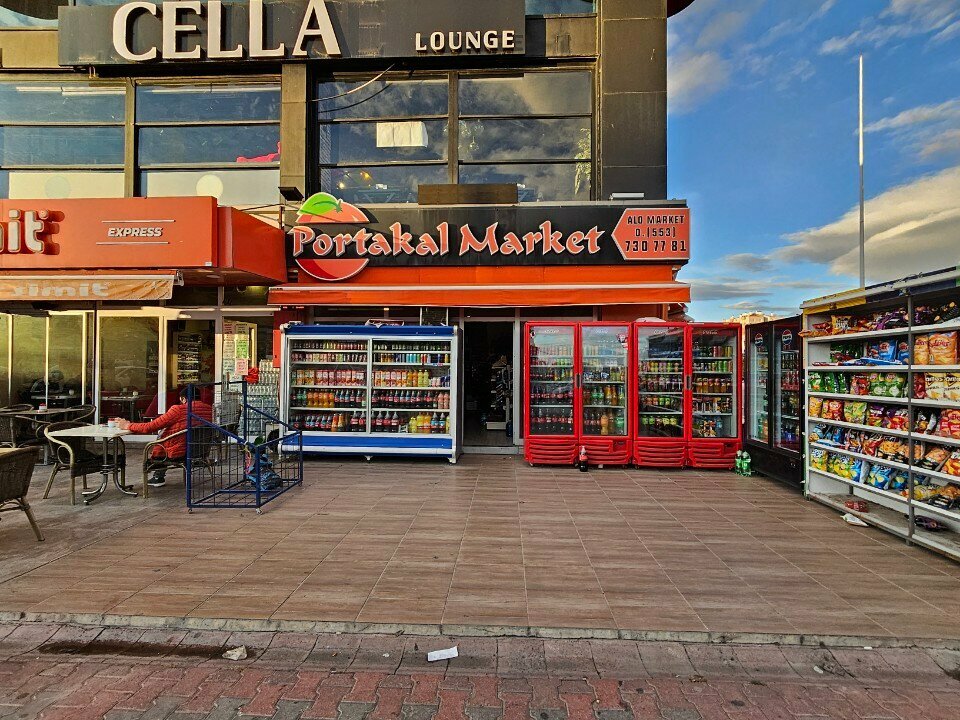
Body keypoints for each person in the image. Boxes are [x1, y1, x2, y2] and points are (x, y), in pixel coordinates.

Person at [115, 390, 213, 487]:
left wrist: (127, 425)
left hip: (179, 452)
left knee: (163, 441)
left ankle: (158, 476)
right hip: (201, 450)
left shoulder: (179, 410)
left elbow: (150, 427)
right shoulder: (209, 410)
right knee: (169, 433)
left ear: (183, 399)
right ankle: (158, 476)